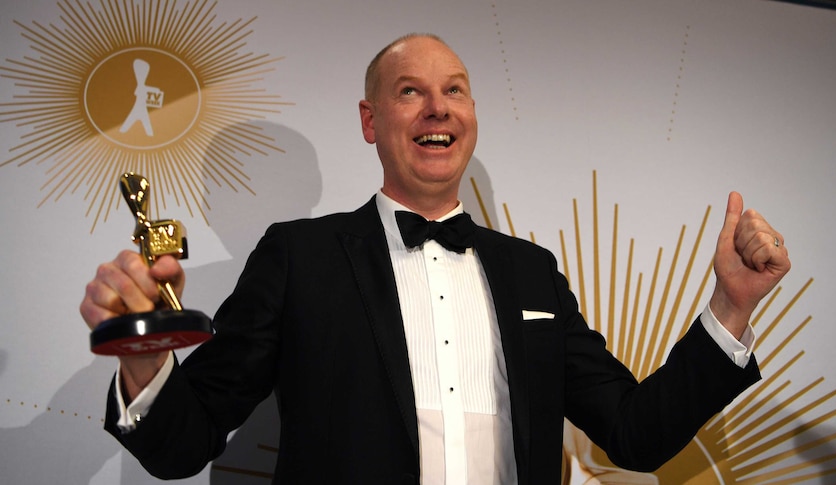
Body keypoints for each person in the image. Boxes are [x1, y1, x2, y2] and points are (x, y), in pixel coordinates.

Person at [80, 33, 790, 484]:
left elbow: (636, 432)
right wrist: (144, 359)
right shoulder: (299, 257)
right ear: (371, 121)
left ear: (473, 116)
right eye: (410, 91)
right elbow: (184, 444)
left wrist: (731, 307)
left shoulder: (531, 270)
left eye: (453, 90)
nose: (436, 109)